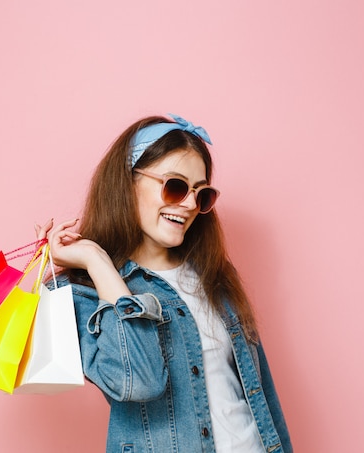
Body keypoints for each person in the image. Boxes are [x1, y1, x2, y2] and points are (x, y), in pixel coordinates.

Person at [41, 114, 292, 452]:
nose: (189, 205)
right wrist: (97, 262)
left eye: (200, 194)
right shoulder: (82, 291)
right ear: (128, 183)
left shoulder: (214, 274)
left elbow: (261, 394)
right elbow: (139, 382)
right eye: (175, 186)